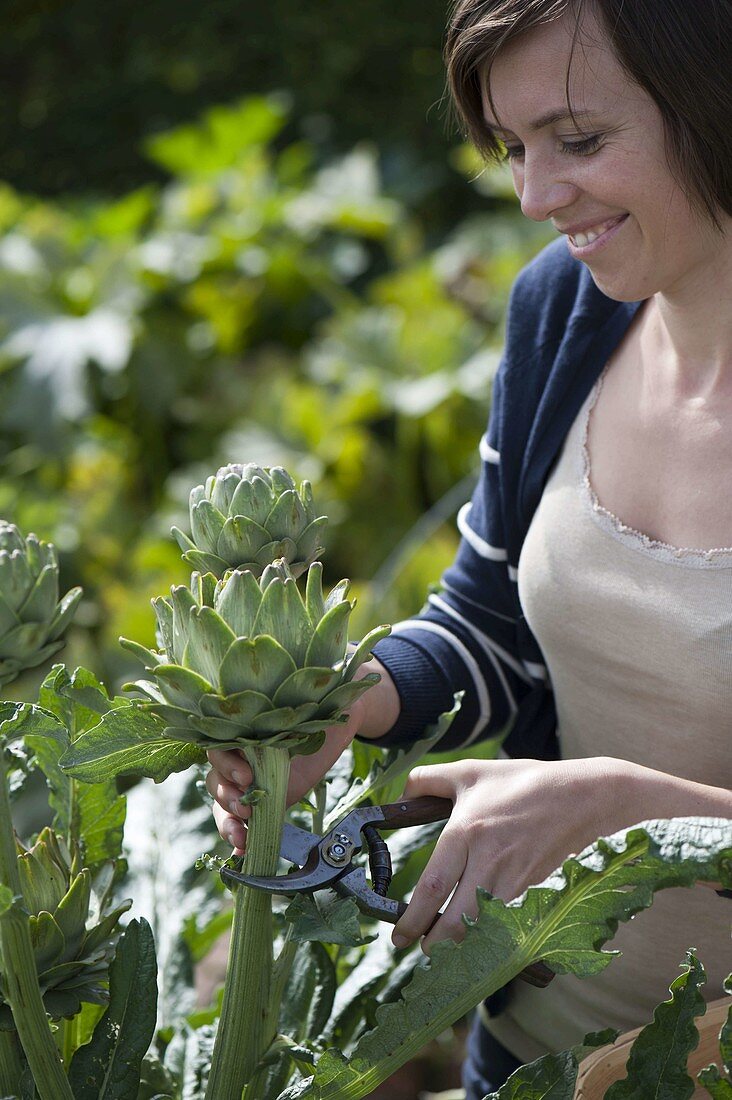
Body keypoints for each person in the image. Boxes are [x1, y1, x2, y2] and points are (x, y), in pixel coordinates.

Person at [206, 0, 732, 1093]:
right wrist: (355, 698)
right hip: (526, 1050)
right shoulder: (569, 311)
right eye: (515, 147)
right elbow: (490, 626)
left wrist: (625, 807)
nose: (536, 197)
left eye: (580, 141)